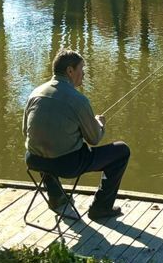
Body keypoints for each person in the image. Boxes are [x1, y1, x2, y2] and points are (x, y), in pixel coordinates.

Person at [23, 50, 130, 221]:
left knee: (45, 146)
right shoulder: (78, 100)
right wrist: (99, 124)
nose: (84, 73)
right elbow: (94, 139)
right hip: (67, 165)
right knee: (122, 151)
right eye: (81, 68)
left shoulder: (35, 93)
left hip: (34, 160)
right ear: (70, 71)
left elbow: (26, 133)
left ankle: (56, 197)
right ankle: (100, 208)